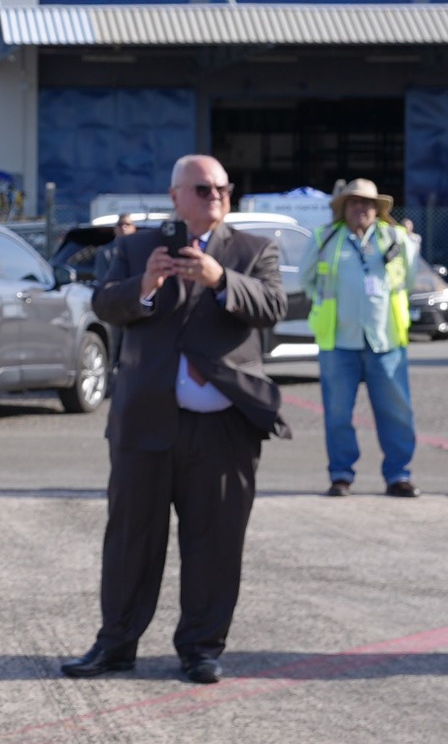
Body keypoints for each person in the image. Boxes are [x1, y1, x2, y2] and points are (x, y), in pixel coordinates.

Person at [63, 155, 288, 686]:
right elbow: (104, 302)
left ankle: (201, 649)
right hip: (146, 421)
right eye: (204, 188)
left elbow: (274, 304)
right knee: (131, 539)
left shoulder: (254, 250)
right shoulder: (137, 246)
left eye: (223, 188)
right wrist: (144, 286)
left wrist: (221, 280)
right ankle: (115, 644)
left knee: (215, 541)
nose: (215, 196)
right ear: (176, 196)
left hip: (223, 427)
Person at [308, 177, 418, 497]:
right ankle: (341, 474)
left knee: (396, 412)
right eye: (354, 203)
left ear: (377, 209)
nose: (361, 209)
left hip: (385, 341)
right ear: (343, 208)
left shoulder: (395, 238)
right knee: (338, 413)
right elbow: (307, 279)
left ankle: (399, 475)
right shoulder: (326, 239)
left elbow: (410, 280)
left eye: (367, 203)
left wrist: (410, 241)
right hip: (339, 340)